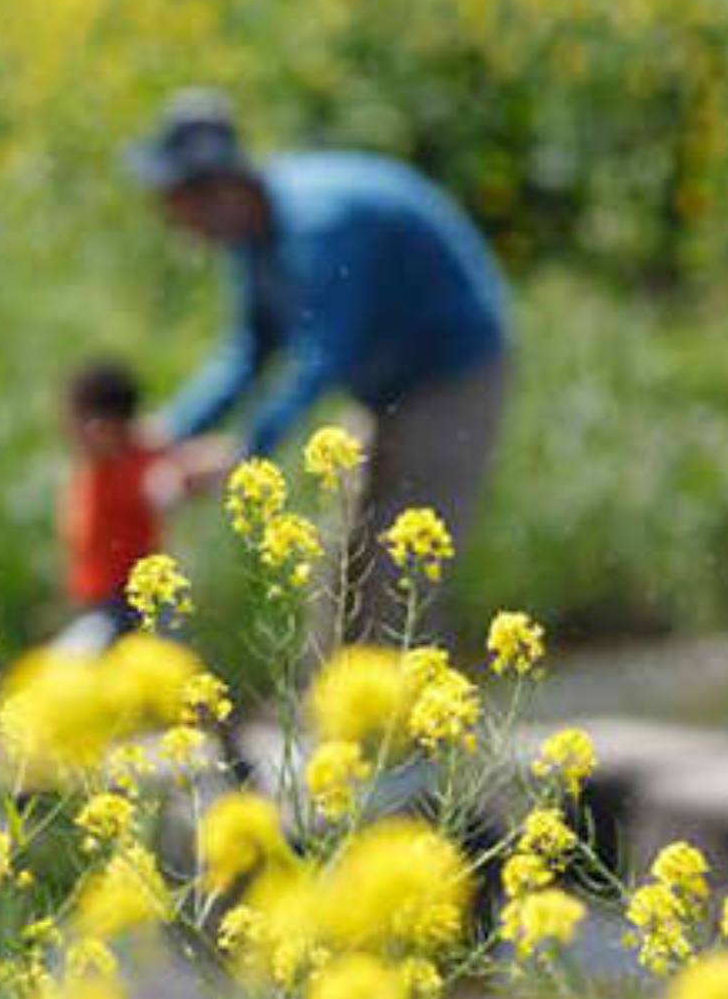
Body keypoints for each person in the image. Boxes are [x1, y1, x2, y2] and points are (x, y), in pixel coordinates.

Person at [125, 90, 510, 645]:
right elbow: (249, 351)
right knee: (342, 569)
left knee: (399, 577)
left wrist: (243, 451)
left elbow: (320, 356)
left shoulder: (320, 226)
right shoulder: (250, 234)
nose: (171, 222)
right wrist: (170, 431)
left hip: (450, 374)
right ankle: (332, 724)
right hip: (385, 384)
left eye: (175, 202)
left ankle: (413, 725)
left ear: (218, 189)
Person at [54, 360, 184, 653]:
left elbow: (182, 473)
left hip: (126, 611)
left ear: (103, 427)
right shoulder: (95, 464)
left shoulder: (141, 470)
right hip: (98, 609)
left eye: (76, 421)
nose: (68, 431)